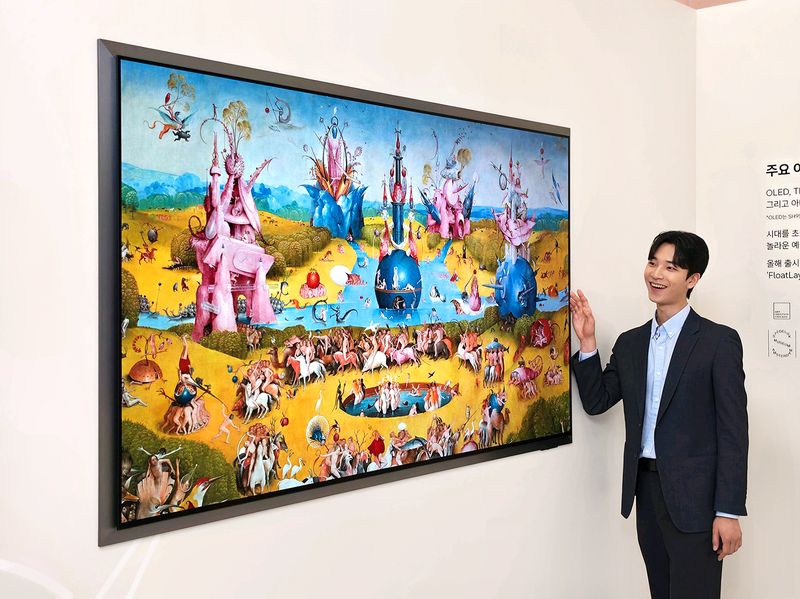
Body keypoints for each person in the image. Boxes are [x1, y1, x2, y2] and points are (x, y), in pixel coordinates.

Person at [570, 231, 747, 599]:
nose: (657, 274)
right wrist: (587, 342)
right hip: (646, 492)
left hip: (697, 501)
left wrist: (728, 511)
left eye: (671, 267)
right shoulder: (630, 343)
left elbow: (733, 433)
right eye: (653, 263)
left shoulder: (718, 342)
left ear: (692, 279)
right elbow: (597, 401)